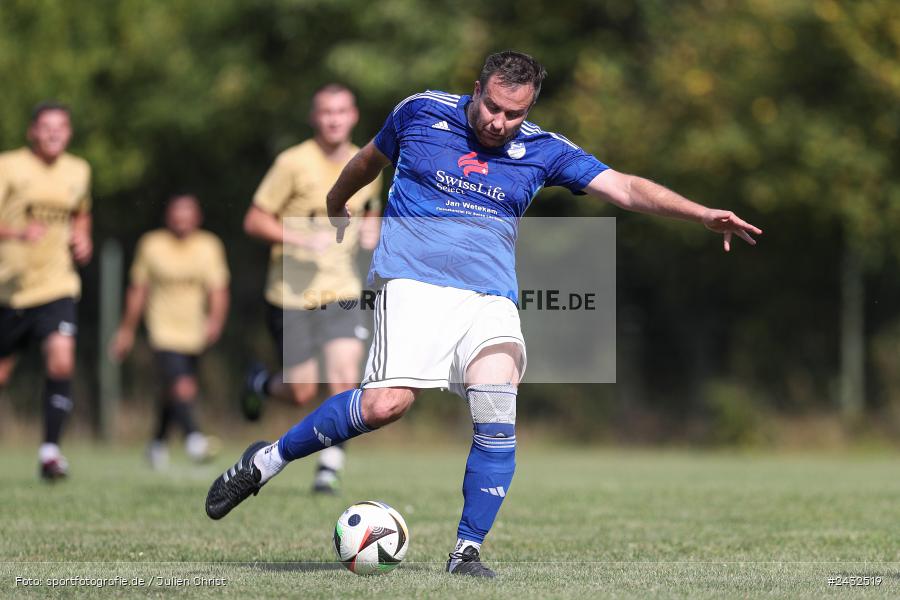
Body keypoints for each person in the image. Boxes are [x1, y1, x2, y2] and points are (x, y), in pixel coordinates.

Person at [206, 51, 762, 576]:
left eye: (514, 113)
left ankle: (466, 548)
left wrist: (701, 213)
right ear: (476, 90)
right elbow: (366, 161)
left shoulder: (545, 149)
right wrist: (334, 202)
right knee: (384, 406)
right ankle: (267, 461)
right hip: (413, 284)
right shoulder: (420, 112)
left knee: (497, 408)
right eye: (493, 106)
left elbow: (624, 188)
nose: (499, 121)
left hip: (490, 299)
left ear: (530, 109)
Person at [240, 83, 382, 493]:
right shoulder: (292, 163)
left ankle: (328, 470)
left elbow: (370, 213)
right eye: (325, 112)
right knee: (301, 391)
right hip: (291, 294)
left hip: (342, 291)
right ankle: (261, 384)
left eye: (341, 111)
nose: (333, 119)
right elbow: (254, 220)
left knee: (343, 380)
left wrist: (373, 229)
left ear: (353, 116)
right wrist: (299, 238)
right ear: (313, 117)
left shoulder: (367, 162)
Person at [0, 102, 92, 480]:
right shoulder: (9, 165)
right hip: (11, 289)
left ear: (69, 133)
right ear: (32, 132)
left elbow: (81, 212)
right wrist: (18, 234)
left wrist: (83, 236)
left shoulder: (79, 169)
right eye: (46, 127)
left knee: (61, 360)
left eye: (61, 127)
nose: (54, 133)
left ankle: (50, 451)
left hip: (58, 286)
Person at [110, 194, 229, 469]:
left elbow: (218, 290)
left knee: (172, 392)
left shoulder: (209, 246)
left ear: (197, 217)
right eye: (177, 213)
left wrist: (215, 320)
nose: (181, 220)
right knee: (182, 387)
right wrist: (126, 330)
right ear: (168, 217)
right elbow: (138, 290)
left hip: (194, 332)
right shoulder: (151, 245)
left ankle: (157, 443)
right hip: (162, 331)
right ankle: (194, 438)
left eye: (188, 214)